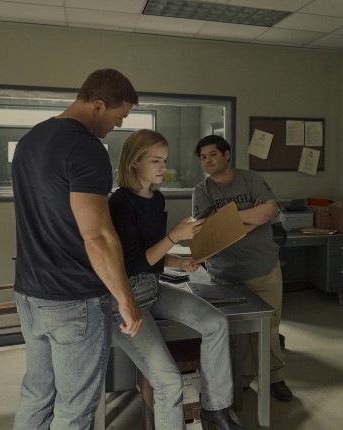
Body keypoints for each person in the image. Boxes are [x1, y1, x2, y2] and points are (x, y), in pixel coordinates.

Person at [12, 69, 143, 429]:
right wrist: (125, 299)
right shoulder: (86, 148)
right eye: (118, 117)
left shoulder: (29, 140)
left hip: (29, 293)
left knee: (37, 393)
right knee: (75, 408)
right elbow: (97, 235)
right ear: (98, 105)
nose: (118, 125)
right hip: (73, 298)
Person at [108, 129, 245, 430]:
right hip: (126, 298)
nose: (163, 167)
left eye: (165, 160)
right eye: (155, 160)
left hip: (153, 287)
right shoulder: (120, 203)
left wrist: (179, 261)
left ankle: (216, 410)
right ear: (134, 163)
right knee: (169, 381)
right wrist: (175, 237)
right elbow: (132, 263)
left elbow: (152, 252)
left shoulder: (156, 199)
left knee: (217, 323)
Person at [192, 135, 293, 402]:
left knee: (269, 328)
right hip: (225, 275)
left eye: (213, 154)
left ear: (227, 154)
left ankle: (274, 378)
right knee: (237, 334)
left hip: (263, 269)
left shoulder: (251, 178)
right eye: (203, 157)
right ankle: (244, 378)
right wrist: (252, 218)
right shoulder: (202, 191)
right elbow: (209, 231)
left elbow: (269, 211)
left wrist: (227, 220)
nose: (207, 161)